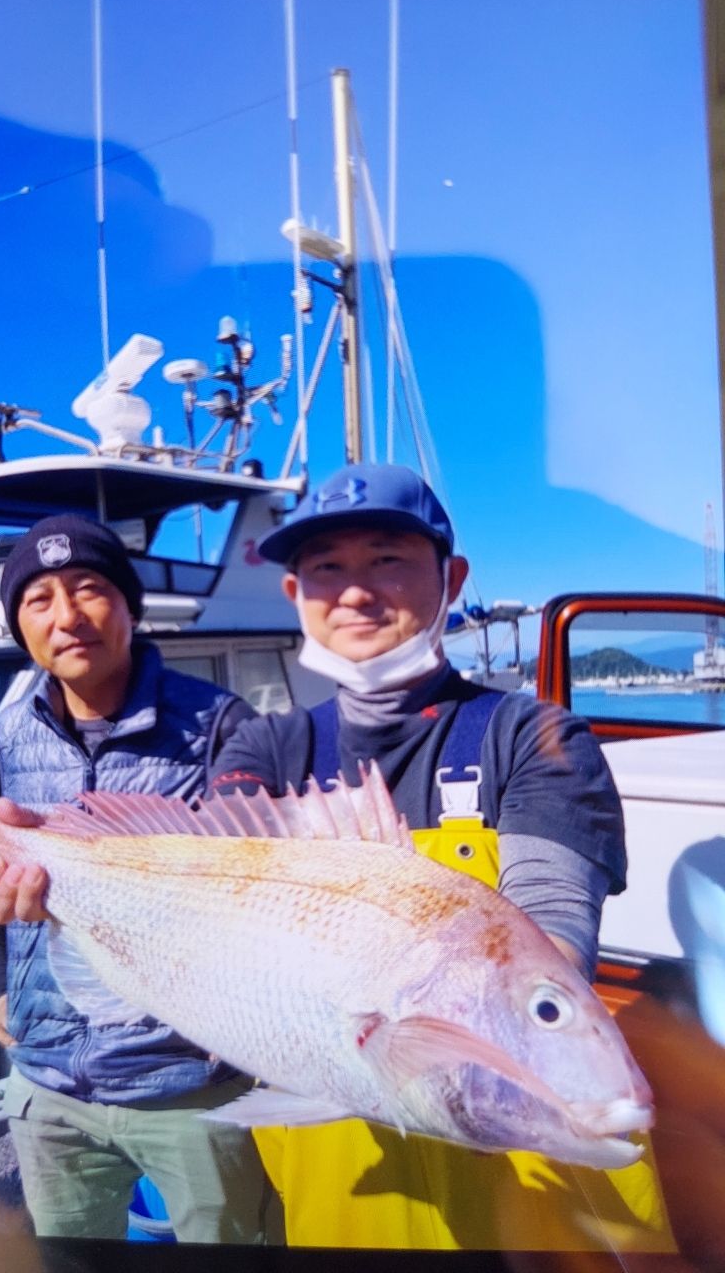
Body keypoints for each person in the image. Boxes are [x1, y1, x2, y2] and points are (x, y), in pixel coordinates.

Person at [207, 462, 675, 1254]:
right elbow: (220, 914)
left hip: (526, 1163)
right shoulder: (265, 746)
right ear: (295, 597)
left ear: (451, 578)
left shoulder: (532, 735)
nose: (356, 591)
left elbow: (550, 937)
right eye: (327, 568)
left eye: (388, 558)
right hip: (337, 1155)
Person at [0, 512, 279, 1245]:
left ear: (130, 607)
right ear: (20, 628)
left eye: (89, 589)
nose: (67, 616)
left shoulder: (219, 727)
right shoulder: (7, 736)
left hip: (188, 1082)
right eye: (38, 600)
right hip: (48, 1080)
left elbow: (257, 889)